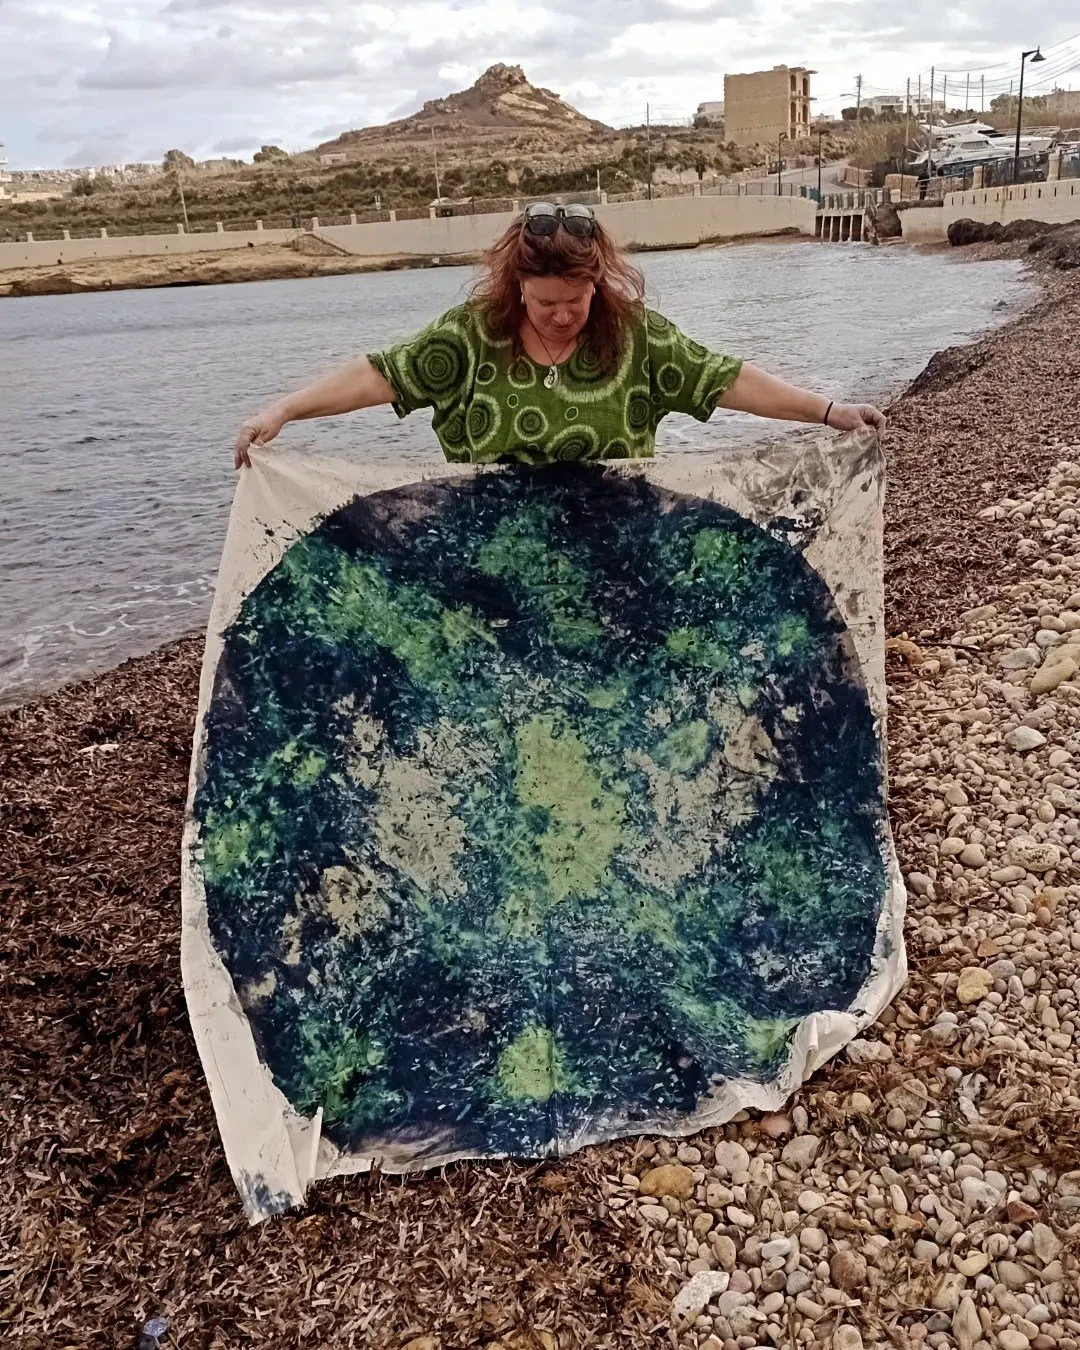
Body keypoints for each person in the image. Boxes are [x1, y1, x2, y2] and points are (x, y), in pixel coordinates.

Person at [234, 202, 885, 470]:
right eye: (546, 303)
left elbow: (726, 378)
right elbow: (381, 375)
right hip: (492, 576)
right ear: (516, 286)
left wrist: (829, 413)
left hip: (614, 562)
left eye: (576, 300)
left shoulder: (636, 337)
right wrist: (283, 410)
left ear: (597, 283)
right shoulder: (470, 337)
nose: (563, 315)